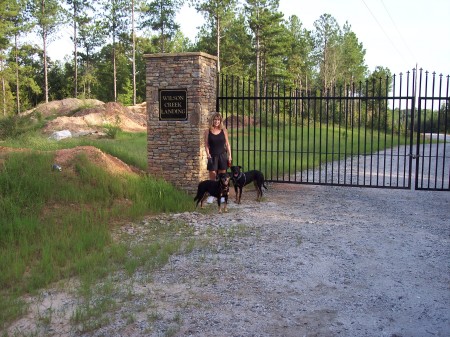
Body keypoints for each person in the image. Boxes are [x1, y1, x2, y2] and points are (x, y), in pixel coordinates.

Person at [204, 112, 232, 181]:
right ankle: (213, 192)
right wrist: (208, 155)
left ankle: (221, 192)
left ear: (220, 121)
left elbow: (227, 144)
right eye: (215, 120)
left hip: (222, 156)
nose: (217, 121)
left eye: (218, 120)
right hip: (212, 157)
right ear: (212, 120)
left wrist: (229, 155)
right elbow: (206, 145)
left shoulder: (224, 131)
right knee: (212, 179)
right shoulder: (207, 131)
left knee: (222, 179)